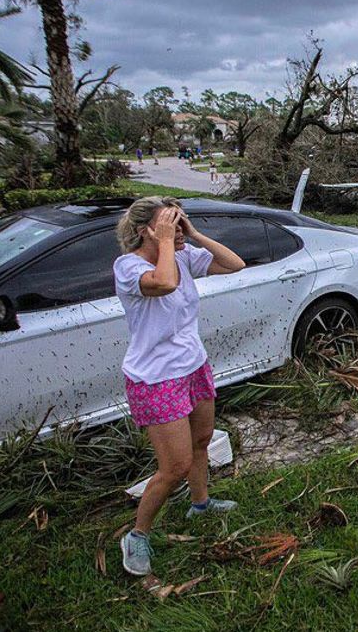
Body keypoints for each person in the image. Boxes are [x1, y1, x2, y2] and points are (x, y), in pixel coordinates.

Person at [113, 197, 246, 576]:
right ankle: (137, 536)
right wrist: (169, 243)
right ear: (145, 232)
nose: (176, 226)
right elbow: (165, 283)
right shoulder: (128, 267)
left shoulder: (184, 256)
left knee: (202, 440)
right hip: (156, 378)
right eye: (168, 222)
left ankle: (200, 502)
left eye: (178, 220)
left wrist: (193, 233)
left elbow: (234, 263)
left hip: (193, 365)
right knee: (174, 467)